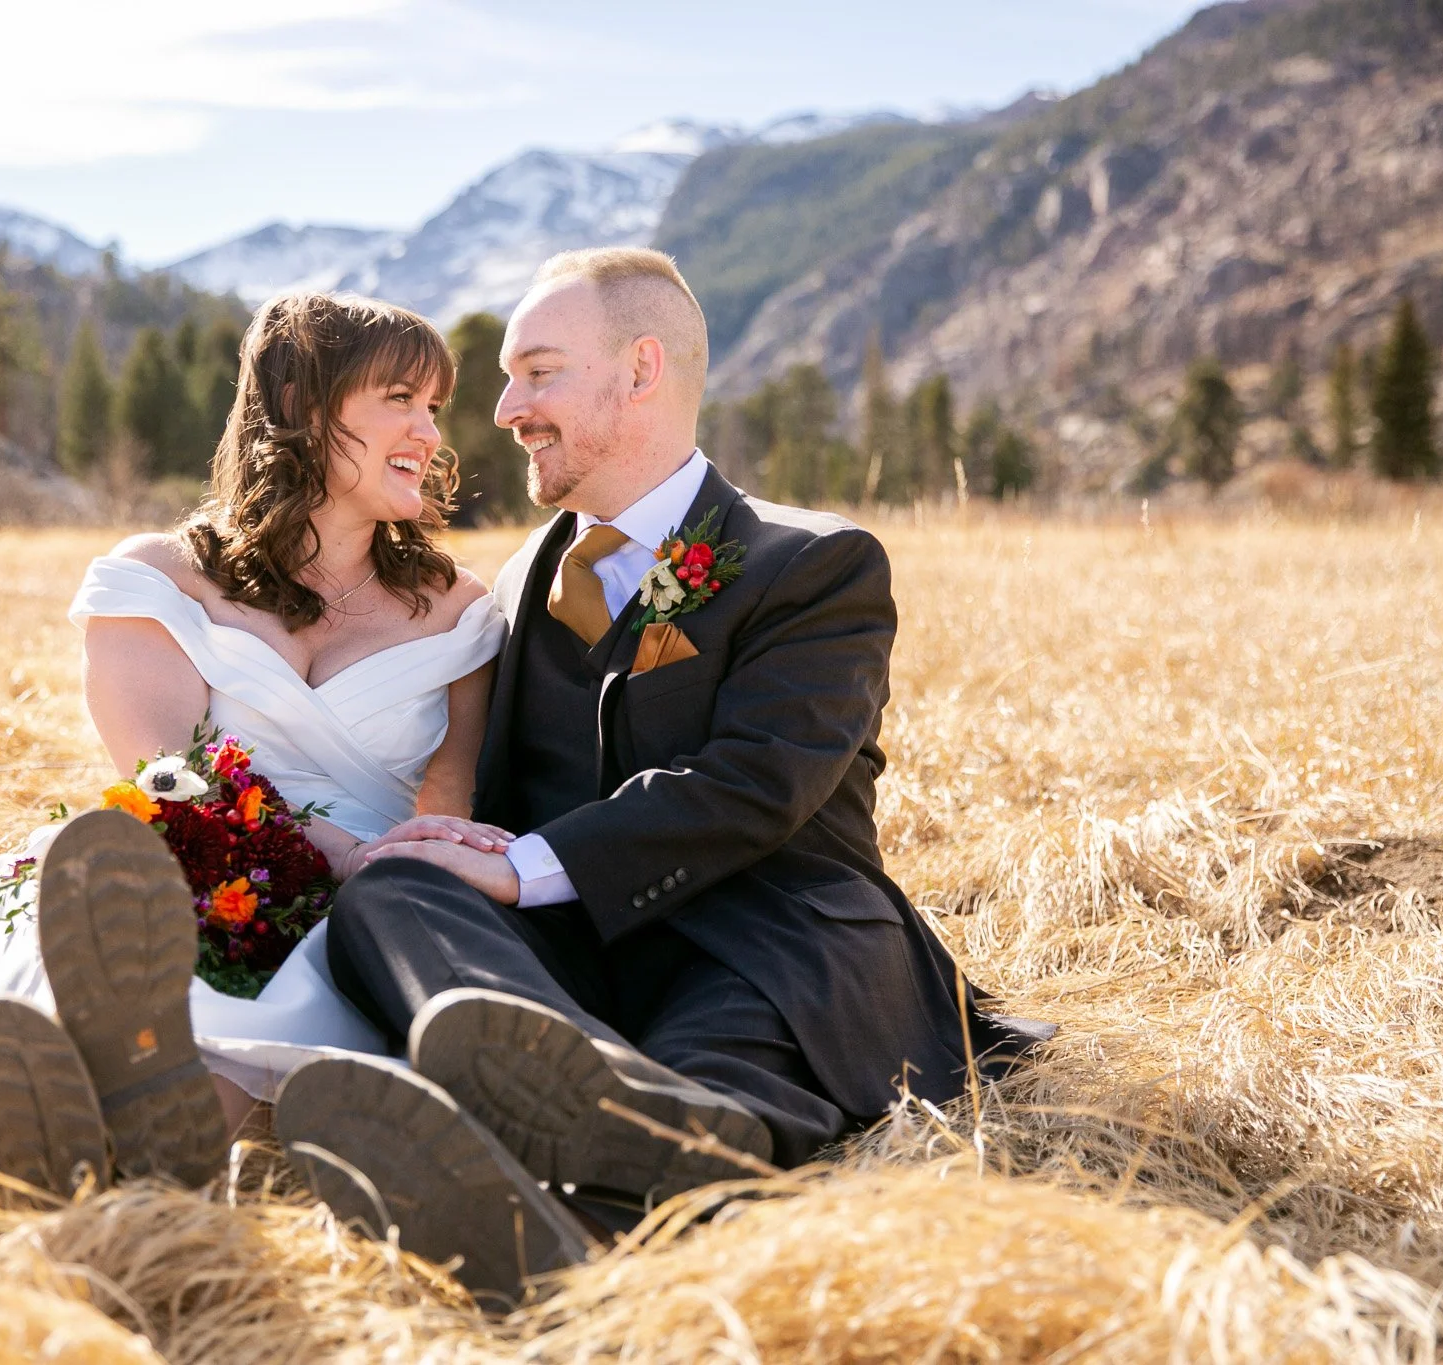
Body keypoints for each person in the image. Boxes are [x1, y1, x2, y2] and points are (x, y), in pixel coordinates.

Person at [267, 248, 1047, 1306]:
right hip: (566, 968)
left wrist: (528, 868)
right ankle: (577, 1121)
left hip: (763, 939)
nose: (502, 410)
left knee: (719, 1063)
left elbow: (757, 783)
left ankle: (588, 1186)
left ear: (639, 371)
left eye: (536, 372)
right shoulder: (516, 579)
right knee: (394, 888)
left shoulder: (810, 564)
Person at [0, 292, 509, 1188]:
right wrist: (328, 851)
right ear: (303, 407)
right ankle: (72, 1114)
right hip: (197, 853)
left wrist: (393, 875)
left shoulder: (459, 610)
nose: (428, 431)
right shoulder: (162, 577)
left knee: (311, 968)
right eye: (398, 400)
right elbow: (167, 773)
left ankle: (129, 1167)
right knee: (153, 929)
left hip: (370, 895)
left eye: (433, 406)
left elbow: (449, 801)